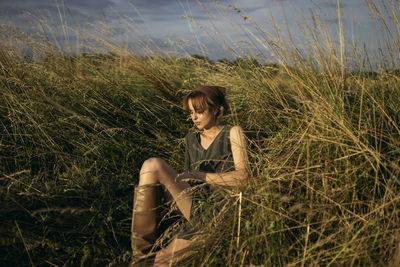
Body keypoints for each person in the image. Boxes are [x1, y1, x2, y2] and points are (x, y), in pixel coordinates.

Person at [130, 85, 248, 266]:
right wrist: (189, 178)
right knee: (151, 165)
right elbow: (189, 182)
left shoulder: (233, 132)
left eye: (199, 111)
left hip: (220, 210)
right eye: (191, 112)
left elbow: (243, 178)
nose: (194, 117)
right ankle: (140, 254)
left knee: (161, 261)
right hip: (195, 205)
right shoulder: (190, 139)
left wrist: (201, 176)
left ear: (216, 110)